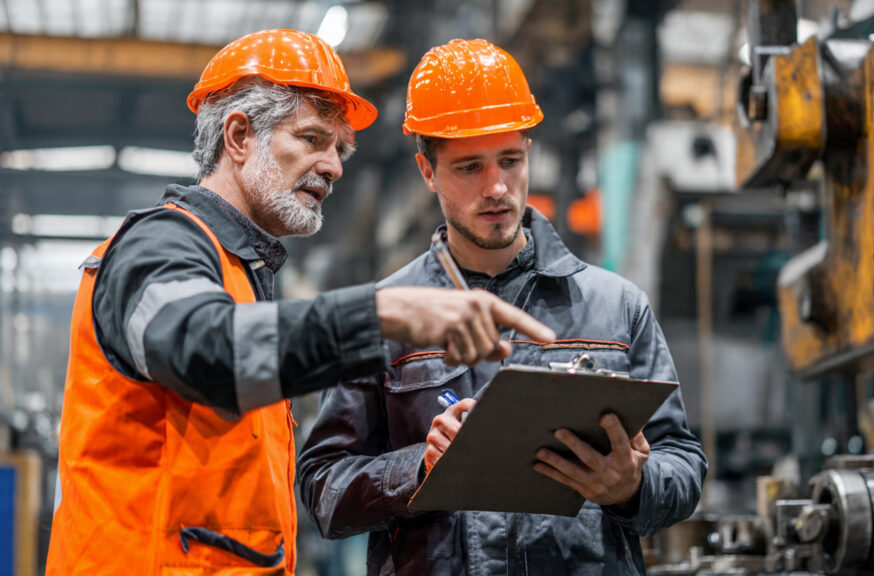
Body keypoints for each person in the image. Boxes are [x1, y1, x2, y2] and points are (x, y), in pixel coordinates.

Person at [46, 30, 554, 576]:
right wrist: (382, 314)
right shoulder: (160, 245)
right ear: (238, 136)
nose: (333, 166)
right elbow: (202, 350)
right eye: (312, 139)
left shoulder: (241, 271)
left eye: (339, 149)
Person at [298, 38, 707, 575]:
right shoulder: (386, 316)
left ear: (528, 154)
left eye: (509, 160)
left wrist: (633, 485)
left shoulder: (617, 307)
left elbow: (683, 464)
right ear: (427, 171)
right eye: (468, 167)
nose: (497, 188)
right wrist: (417, 467)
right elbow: (324, 487)